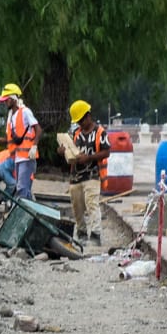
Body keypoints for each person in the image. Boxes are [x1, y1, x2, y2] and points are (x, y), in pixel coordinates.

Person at [61, 99, 104, 244]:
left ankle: (96, 234)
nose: (80, 124)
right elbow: (66, 149)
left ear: (88, 116)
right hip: (76, 177)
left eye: (81, 121)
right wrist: (62, 150)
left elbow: (107, 152)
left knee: (92, 204)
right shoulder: (75, 133)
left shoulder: (99, 132)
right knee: (77, 205)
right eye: (77, 122)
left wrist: (89, 157)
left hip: (92, 175)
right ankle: (81, 232)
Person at [0, 84, 40, 196]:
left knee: (22, 188)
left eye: (6, 100)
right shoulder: (12, 116)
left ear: (12, 99)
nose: (5, 102)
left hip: (27, 157)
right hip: (18, 157)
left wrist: (34, 146)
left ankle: (21, 212)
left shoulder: (25, 112)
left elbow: (38, 129)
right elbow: (13, 138)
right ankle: (26, 211)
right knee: (21, 188)